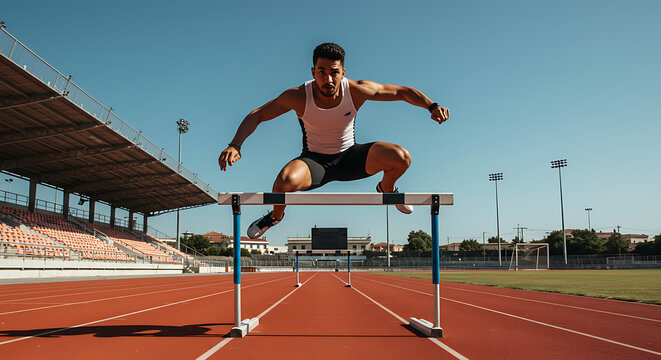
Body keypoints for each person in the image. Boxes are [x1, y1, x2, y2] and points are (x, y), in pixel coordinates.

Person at [218, 43, 450, 239]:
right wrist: (235, 144)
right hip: (314, 162)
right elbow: (258, 114)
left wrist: (431, 105)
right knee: (283, 182)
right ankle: (275, 217)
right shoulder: (298, 96)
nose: (328, 78)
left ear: (343, 71)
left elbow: (401, 92)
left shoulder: (357, 90)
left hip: (351, 157)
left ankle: (387, 189)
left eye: (334, 72)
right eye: (322, 72)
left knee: (401, 157)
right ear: (313, 71)